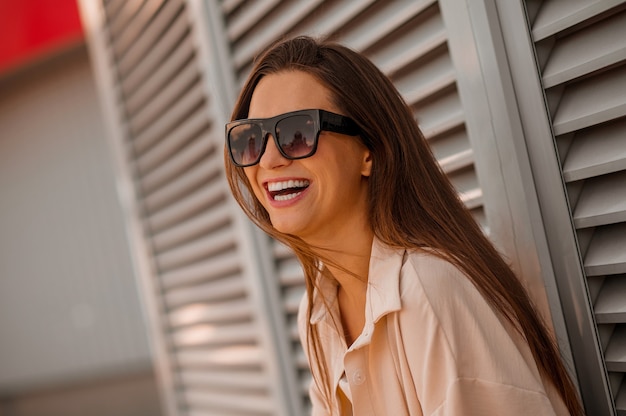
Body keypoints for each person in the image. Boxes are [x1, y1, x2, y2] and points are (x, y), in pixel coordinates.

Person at [224, 36, 584, 416]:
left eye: (298, 132)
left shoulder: (427, 287)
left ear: (369, 150)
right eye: (250, 139)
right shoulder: (317, 312)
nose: (269, 159)